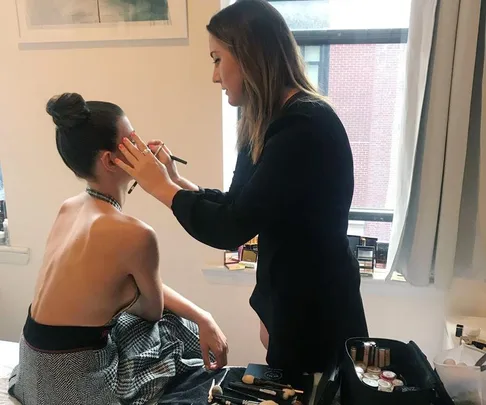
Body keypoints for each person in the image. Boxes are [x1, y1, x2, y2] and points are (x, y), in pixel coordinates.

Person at [115, 0, 369, 375]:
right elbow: (241, 204)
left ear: (249, 57)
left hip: (316, 304)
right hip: (287, 293)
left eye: (217, 59)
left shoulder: (304, 128)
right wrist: (173, 178)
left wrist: (162, 188)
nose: (215, 75)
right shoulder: (267, 122)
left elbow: (232, 226)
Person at [8, 93, 229, 405]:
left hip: (32, 366)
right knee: (175, 329)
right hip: (72, 384)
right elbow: (153, 311)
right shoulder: (135, 234)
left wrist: (197, 313)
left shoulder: (68, 208)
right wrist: (197, 317)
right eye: (131, 141)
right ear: (111, 161)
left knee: (154, 317)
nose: (143, 147)